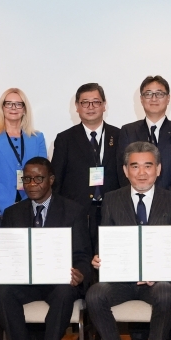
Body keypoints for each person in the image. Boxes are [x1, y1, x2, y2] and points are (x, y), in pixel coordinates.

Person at [85, 142, 171, 340]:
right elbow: (104, 242)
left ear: (158, 169)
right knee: (94, 295)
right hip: (121, 281)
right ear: (125, 171)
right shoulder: (112, 199)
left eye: (148, 166)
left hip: (156, 281)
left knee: (165, 292)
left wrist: (158, 272)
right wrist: (99, 257)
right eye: (135, 166)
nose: (142, 173)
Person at [0, 157, 92, 340]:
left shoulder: (73, 211)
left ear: (51, 180)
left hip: (57, 282)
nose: (32, 184)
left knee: (65, 292)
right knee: (2, 292)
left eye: (38, 178)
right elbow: (4, 254)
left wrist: (80, 273)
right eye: (27, 179)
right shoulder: (12, 213)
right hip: (23, 282)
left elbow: (82, 255)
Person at [51, 83, 122, 235]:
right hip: (77, 212)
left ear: (104, 105)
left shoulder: (119, 135)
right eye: (85, 102)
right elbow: (56, 180)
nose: (91, 107)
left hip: (113, 210)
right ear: (77, 106)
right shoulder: (65, 139)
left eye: (96, 102)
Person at [119, 76, 171, 197]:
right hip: (136, 203)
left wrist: (163, 201)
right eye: (148, 94)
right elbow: (122, 171)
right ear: (141, 99)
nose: (154, 98)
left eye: (159, 94)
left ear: (168, 98)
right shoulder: (128, 131)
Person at [0, 88, 47, 214]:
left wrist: (25, 205)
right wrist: (10, 209)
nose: (13, 108)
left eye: (18, 104)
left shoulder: (37, 138)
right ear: (2, 108)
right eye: (8, 103)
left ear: (24, 109)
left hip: (29, 207)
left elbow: (41, 175)